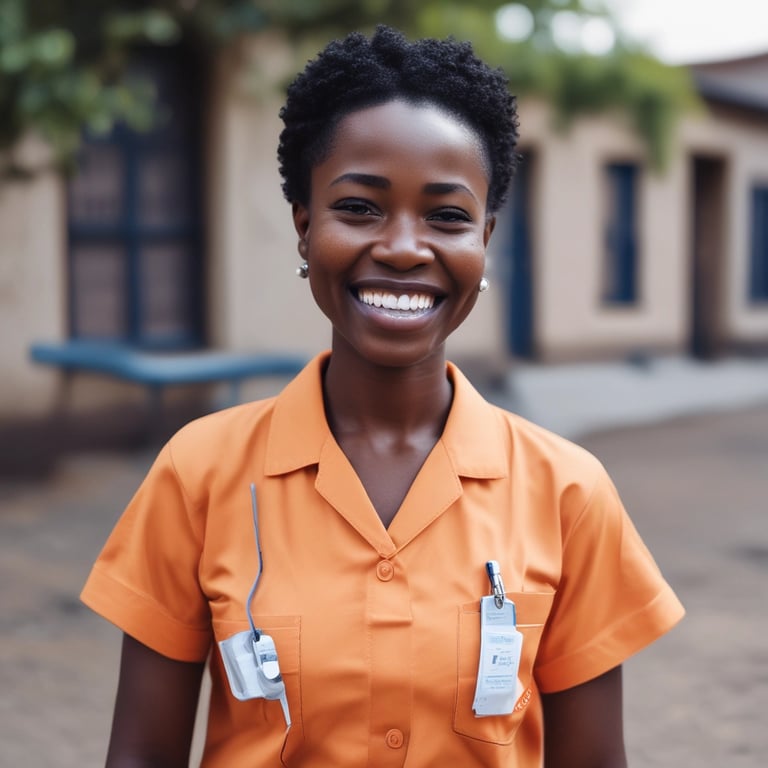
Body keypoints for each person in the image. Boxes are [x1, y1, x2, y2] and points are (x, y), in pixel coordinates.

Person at [81, 25, 684, 768]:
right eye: (360, 207)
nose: (403, 247)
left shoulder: (569, 493)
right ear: (306, 228)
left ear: (485, 240)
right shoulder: (198, 474)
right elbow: (140, 754)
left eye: (448, 216)